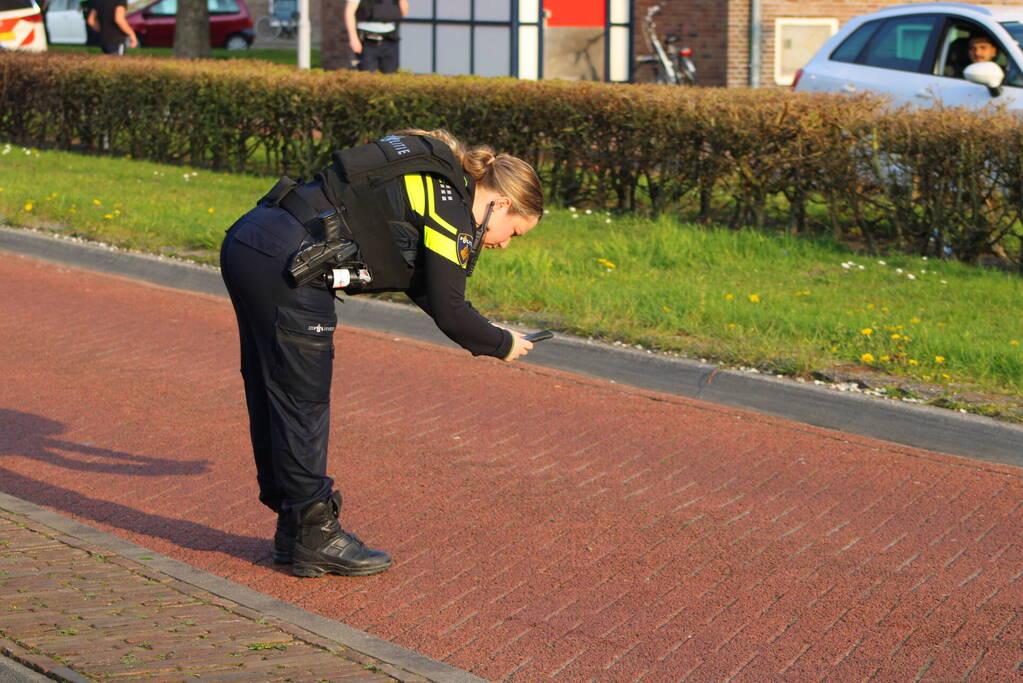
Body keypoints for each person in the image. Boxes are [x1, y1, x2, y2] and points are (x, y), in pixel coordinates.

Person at [220, 129, 543, 578]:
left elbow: (428, 287)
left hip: (254, 239)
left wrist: (489, 331)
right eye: (514, 233)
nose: (505, 243)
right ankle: (314, 533)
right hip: (288, 264)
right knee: (301, 401)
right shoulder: (450, 206)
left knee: (272, 387)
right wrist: (500, 343)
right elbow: (449, 310)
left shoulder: (436, 181)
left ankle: (296, 529)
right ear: (502, 204)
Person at [344, 0, 408, 73]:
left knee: (391, 75)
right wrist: (353, 38)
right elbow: (349, 12)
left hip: (390, 39)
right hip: (367, 40)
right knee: (366, 75)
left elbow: (404, 13)